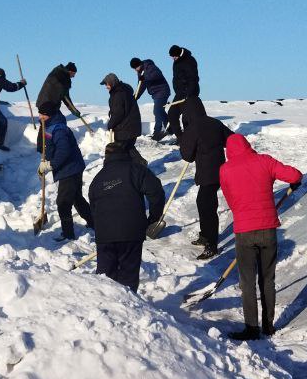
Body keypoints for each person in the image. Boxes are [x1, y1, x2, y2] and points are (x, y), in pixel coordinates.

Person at [218, 134, 303, 340]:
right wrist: (295, 183)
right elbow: (295, 175)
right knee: (267, 279)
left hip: (244, 232)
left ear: (228, 151)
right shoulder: (264, 161)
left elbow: (231, 200)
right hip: (268, 230)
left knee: (247, 281)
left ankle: (251, 328)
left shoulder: (225, 170)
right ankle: (268, 325)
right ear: (248, 146)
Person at [88, 142, 166, 293]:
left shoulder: (97, 179)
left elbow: (93, 209)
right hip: (131, 231)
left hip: (105, 236)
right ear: (126, 154)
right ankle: (127, 310)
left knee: (105, 277)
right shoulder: (137, 170)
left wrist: (101, 228)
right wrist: (153, 218)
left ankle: (107, 310)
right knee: (128, 276)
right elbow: (156, 193)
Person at [179, 98, 233, 259]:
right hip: (220, 170)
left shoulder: (192, 128)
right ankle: (205, 236)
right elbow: (231, 139)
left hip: (208, 173)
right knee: (203, 202)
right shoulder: (215, 123)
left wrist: (190, 143)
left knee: (207, 205)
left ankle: (212, 244)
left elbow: (187, 155)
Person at [38, 110, 92, 241]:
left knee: (63, 202)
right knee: (76, 198)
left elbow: (64, 151)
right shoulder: (51, 127)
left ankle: (68, 234)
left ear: (50, 114)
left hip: (70, 169)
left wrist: (51, 165)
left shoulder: (59, 130)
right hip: (72, 168)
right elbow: (52, 149)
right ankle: (94, 222)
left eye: (42, 114)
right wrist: (44, 161)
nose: (40, 117)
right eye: (39, 114)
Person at [100, 72, 145, 166]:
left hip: (125, 129)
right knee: (129, 148)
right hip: (131, 126)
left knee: (118, 150)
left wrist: (111, 124)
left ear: (111, 83)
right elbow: (121, 108)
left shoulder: (118, 94)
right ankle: (139, 164)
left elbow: (118, 113)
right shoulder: (124, 91)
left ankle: (121, 168)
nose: (106, 87)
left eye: (107, 84)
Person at [130, 57, 171, 140]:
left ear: (140, 64)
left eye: (136, 67)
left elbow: (157, 74)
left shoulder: (150, 66)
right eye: (134, 68)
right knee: (160, 111)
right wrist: (135, 97)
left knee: (157, 111)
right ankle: (171, 128)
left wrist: (145, 78)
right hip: (155, 93)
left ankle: (157, 132)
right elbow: (141, 86)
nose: (135, 70)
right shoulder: (140, 72)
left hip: (162, 91)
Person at [167, 45, 200, 137]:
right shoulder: (177, 61)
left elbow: (193, 78)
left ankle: (188, 139)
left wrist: (189, 93)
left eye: (174, 56)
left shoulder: (189, 60)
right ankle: (181, 138)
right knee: (172, 114)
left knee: (186, 118)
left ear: (178, 53)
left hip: (189, 93)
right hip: (180, 93)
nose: (173, 58)